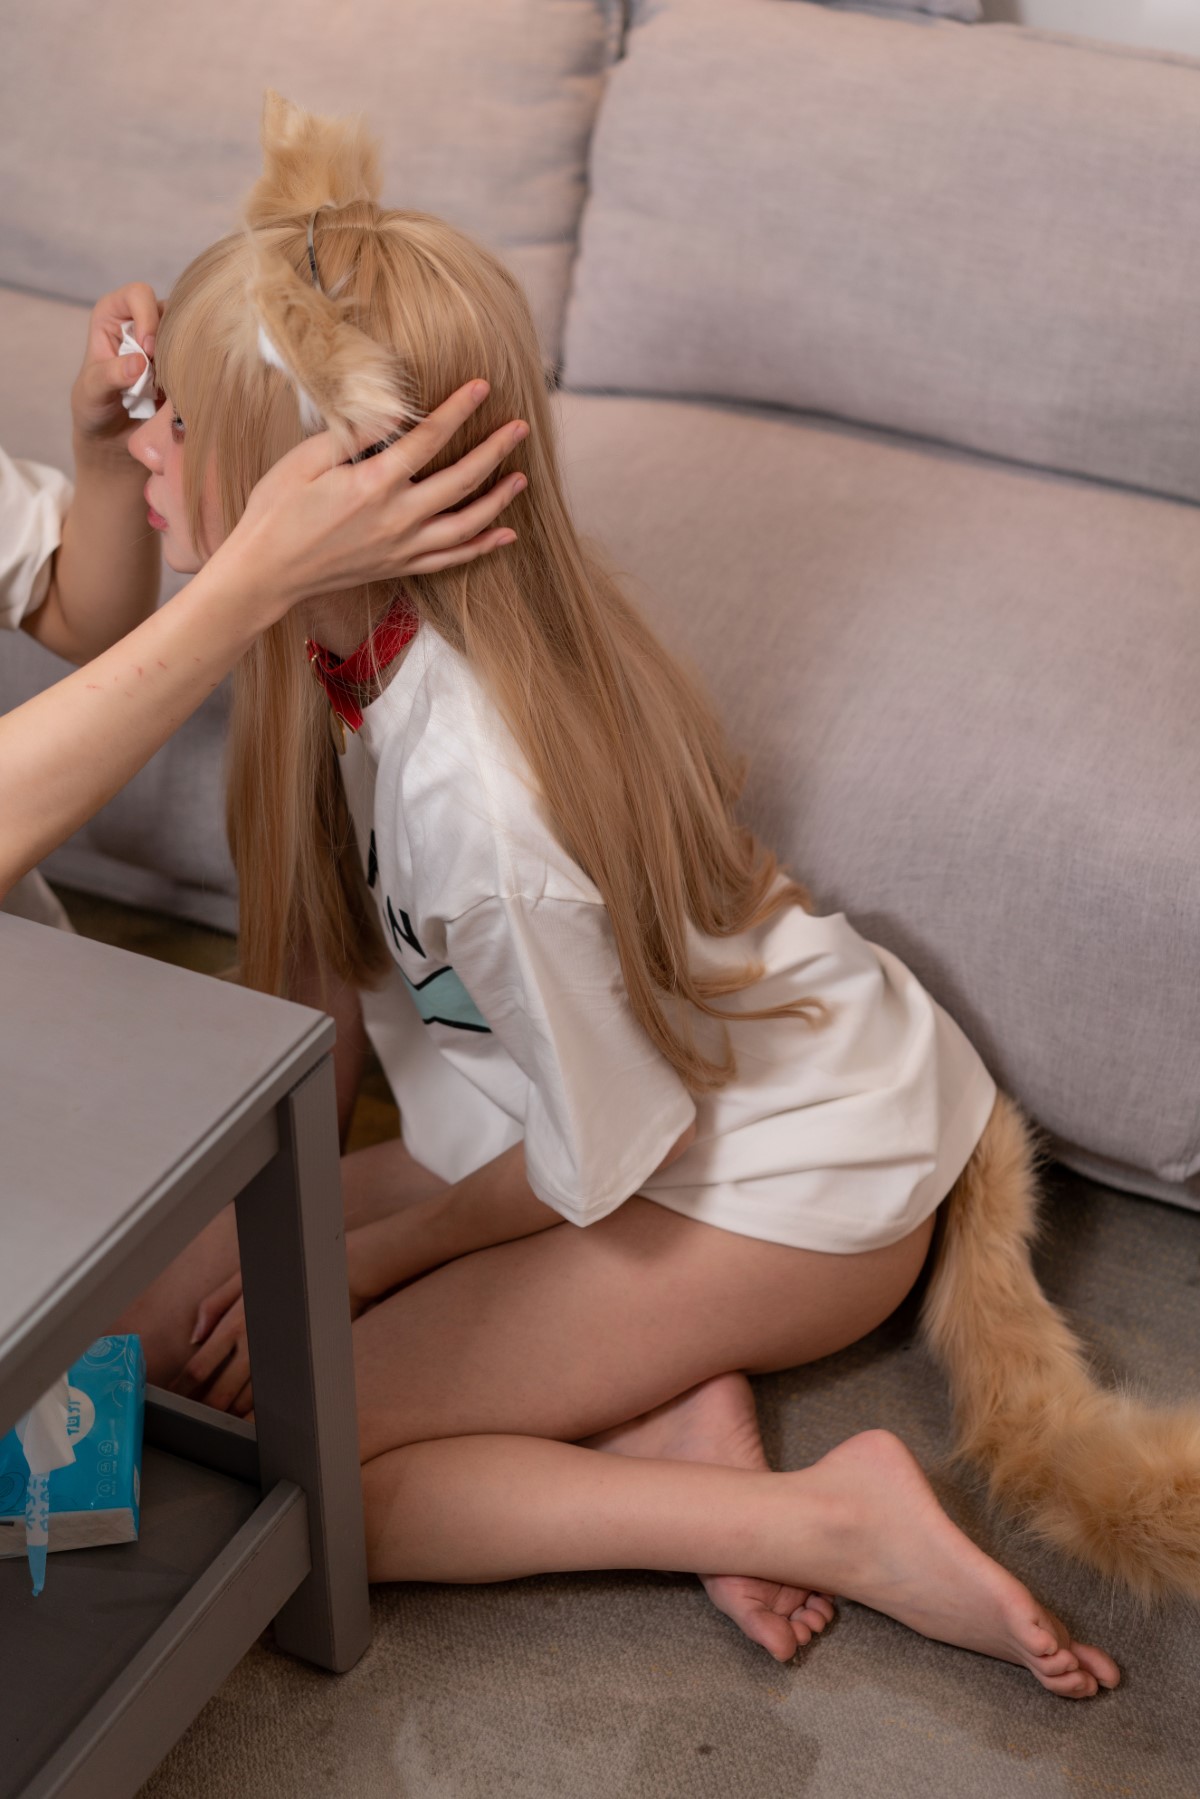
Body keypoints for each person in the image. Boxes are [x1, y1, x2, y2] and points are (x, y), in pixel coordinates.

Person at [122, 90, 1200, 1702]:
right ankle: (664, 1378)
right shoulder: (336, 647)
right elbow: (340, 1002)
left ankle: (822, 1516)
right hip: (581, 1116)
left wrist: (376, 1258)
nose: (144, 439)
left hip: (766, 1175)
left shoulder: (479, 796)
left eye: (175, 419)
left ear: (323, 488)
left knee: (304, 1472)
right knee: (152, 1318)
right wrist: (294, 1217)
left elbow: (607, 1145)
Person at [0, 285, 525, 902]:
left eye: (180, 419)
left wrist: (108, 453)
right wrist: (252, 583)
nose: (145, 445)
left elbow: (81, 622)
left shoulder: (490, 812)